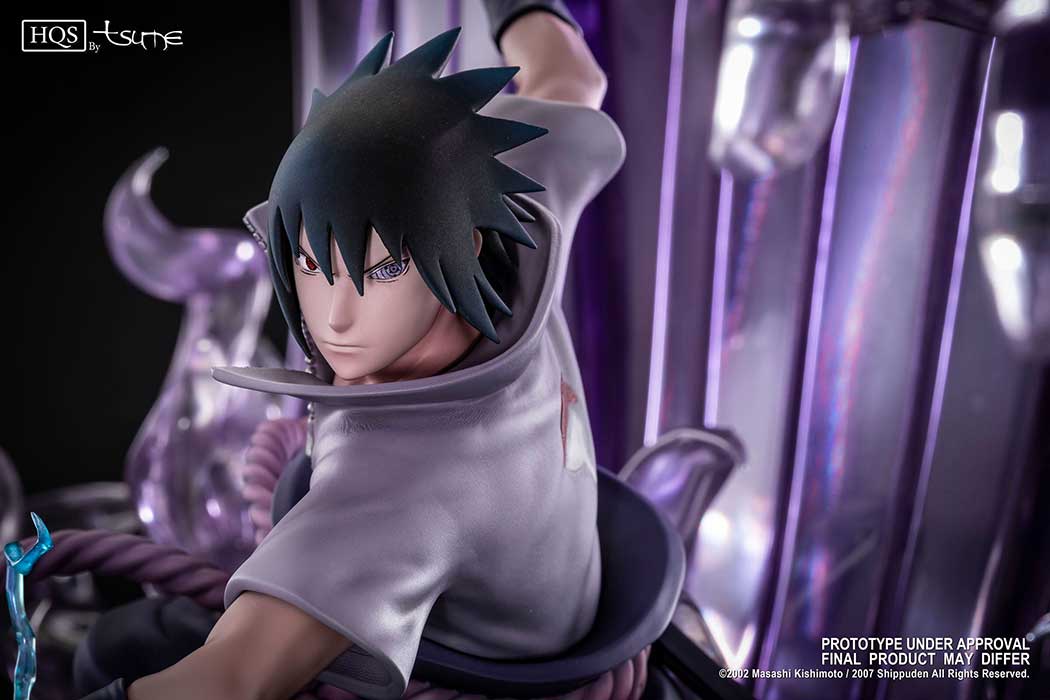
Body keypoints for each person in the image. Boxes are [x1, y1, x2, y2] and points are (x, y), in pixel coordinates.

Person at [83, 5, 623, 699]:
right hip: (555, 566)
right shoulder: (509, 195)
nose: (336, 317)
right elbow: (569, 72)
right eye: (312, 264)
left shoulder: (402, 483)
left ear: (462, 243)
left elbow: (229, 679)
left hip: (483, 658)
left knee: (115, 649)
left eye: (383, 269)